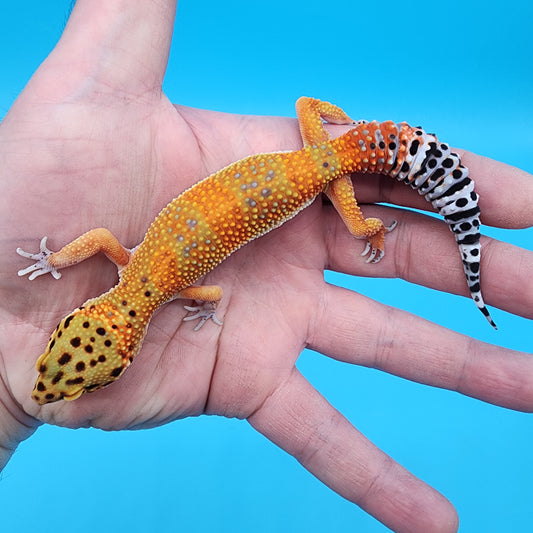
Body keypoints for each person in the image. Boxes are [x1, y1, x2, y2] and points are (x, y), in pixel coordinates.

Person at [1, 2, 532, 532]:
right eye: (71, 380)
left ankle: (422, 218)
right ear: (98, 325)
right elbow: (98, 240)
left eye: (58, 366)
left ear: (124, 349)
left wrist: (368, 229)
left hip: (327, 171)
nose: (54, 384)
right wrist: (56, 259)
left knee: (358, 224)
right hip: (315, 148)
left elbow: (211, 298)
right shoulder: (131, 263)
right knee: (311, 112)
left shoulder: (177, 288)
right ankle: (434, 202)